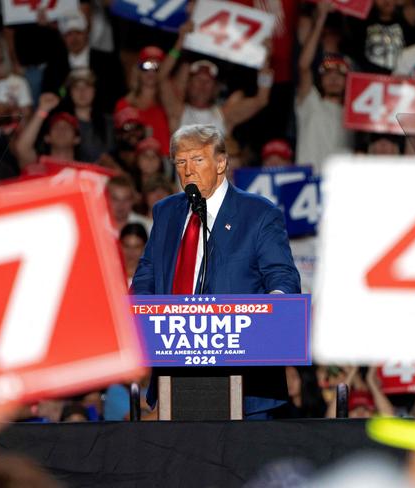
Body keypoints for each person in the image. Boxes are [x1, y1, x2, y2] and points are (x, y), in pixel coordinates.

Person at [131, 124, 301, 418]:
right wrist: (138, 313)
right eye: (180, 162)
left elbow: (282, 277)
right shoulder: (166, 212)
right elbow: (147, 274)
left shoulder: (258, 214)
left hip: (247, 385)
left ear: (221, 162)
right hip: (177, 373)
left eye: (197, 160)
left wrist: (271, 314)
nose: (187, 170)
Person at [159, 22, 273, 136]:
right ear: (188, 85)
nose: (202, 85)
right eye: (198, 79)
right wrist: (179, 43)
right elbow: (161, 77)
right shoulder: (177, 112)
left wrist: (265, 60)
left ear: (215, 88)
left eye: (208, 81)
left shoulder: (224, 117)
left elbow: (261, 100)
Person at [296, 1, 353, 173]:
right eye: (328, 75)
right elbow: (304, 66)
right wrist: (321, 18)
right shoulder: (310, 101)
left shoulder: (352, 114)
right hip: (308, 185)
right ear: (321, 80)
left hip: (338, 188)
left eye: (339, 75)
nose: (334, 79)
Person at [115, 46, 170, 155]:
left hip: (164, 163)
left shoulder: (168, 104)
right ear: (138, 70)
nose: (151, 72)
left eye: (156, 67)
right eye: (146, 66)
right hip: (135, 163)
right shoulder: (124, 104)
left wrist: (179, 45)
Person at [120, 222, 148, 287]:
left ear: (145, 247)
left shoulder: (150, 279)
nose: (131, 252)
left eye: (137, 247)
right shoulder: (108, 274)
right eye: (126, 246)